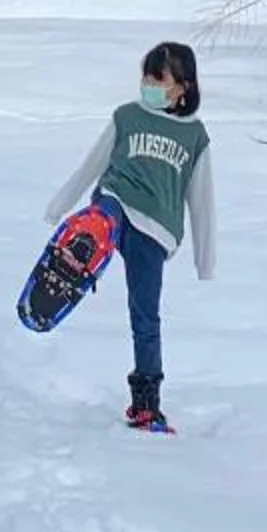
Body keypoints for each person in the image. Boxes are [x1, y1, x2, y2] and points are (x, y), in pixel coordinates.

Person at [41, 40, 215, 430]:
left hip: (156, 228)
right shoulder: (127, 117)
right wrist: (58, 207)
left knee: (145, 315)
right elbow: (91, 166)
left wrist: (206, 261)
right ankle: (77, 252)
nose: (148, 85)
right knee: (106, 210)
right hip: (115, 205)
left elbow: (202, 201)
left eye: (158, 79)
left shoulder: (195, 137)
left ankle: (147, 403)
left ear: (183, 87)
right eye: (145, 78)